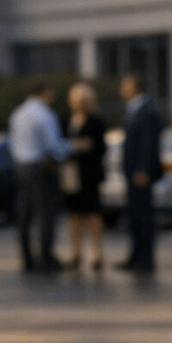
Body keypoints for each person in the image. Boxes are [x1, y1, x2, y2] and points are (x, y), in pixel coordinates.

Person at [8, 81, 71, 273]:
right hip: (40, 167)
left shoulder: (17, 114)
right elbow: (55, 146)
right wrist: (74, 147)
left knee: (25, 215)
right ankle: (46, 257)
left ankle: (27, 258)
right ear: (44, 93)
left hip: (20, 167)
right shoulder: (44, 114)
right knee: (45, 213)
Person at [118, 72, 164, 275]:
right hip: (132, 173)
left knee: (144, 216)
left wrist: (143, 170)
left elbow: (148, 143)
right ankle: (136, 256)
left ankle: (146, 259)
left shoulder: (146, 110)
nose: (121, 89)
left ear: (135, 87)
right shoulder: (133, 109)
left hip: (141, 174)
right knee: (135, 216)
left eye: (125, 85)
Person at [62, 81, 109, 273]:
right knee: (73, 214)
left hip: (89, 173)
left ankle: (97, 252)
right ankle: (75, 251)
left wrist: (87, 146)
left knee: (92, 213)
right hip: (71, 173)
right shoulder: (66, 120)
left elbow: (101, 147)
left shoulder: (96, 122)